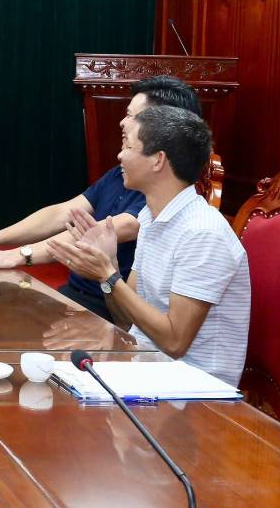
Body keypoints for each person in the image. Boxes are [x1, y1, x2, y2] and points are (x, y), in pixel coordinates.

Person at [0, 75, 202, 320]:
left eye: (132, 116)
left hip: (105, 310)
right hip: (75, 296)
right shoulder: (123, 174)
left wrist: (17, 255)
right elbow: (62, 213)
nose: (122, 123)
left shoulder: (163, 198)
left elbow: (96, 234)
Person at [47, 105, 249, 386]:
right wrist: (109, 267)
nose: (120, 155)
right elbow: (126, 322)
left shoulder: (203, 233)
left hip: (196, 388)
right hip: (145, 364)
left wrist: (108, 274)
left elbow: (175, 342)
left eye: (129, 147)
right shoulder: (150, 217)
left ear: (157, 160)